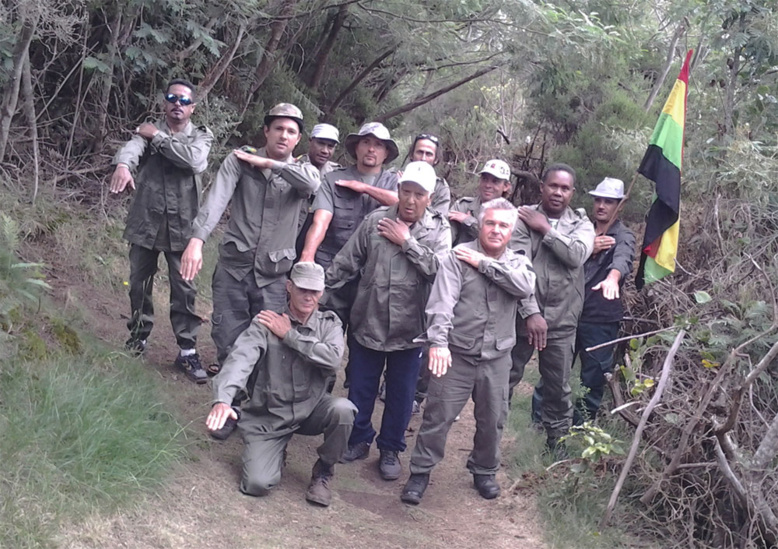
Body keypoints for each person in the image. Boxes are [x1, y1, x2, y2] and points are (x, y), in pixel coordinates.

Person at [181, 103, 320, 437]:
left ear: (298, 139)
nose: (284, 135)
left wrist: (271, 164)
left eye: (291, 131)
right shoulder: (239, 161)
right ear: (266, 131)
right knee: (229, 339)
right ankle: (228, 407)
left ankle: (259, 411)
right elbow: (216, 201)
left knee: (270, 344)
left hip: (274, 277)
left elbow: (312, 186)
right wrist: (197, 240)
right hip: (234, 268)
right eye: (278, 129)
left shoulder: (304, 172)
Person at [401, 199, 536, 504]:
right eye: (491, 223)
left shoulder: (518, 262)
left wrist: (483, 264)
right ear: (480, 224)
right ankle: (420, 472)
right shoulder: (455, 257)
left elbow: (524, 287)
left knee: (493, 418)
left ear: (511, 230)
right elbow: (441, 304)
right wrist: (438, 343)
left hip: (498, 358)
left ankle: (484, 471)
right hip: (458, 354)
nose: (496, 230)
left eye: (503, 225)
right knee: (438, 417)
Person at [323, 161, 451, 481]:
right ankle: (358, 438)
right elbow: (346, 262)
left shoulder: (439, 229)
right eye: (405, 192)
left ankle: (391, 447)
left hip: (410, 329)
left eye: (418, 194)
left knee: (401, 393)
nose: (410, 200)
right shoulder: (375, 221)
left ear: (429, 197)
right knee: (361, 388)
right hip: (369, 320)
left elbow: (442, 272)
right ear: (397, 191)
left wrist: (407, 242)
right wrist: (317, 294)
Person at [206, 262, 355, 507]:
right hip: (269, 414)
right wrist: (223, 399)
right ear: (289, 287)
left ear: (322, 292)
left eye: (315, 291)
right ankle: (274, 451)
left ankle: (324, 471)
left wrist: (290, 336)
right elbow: (240, 359)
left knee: (344, 410)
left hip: (310, 408)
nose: (309, 296)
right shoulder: (266, 321)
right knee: (256, 484)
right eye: (302, 289)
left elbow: (332, 359)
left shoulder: (329, 324)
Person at [110, 78, 213, 382]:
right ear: (164, 103)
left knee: (185, 290)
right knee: (139, 283)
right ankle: (138, 337)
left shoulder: (201, 137)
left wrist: (158, 139)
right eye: (172, 98)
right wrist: (123, 165)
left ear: (192, 107)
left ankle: (187, 350)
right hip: (145, 221)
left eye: (184, 100)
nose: (177, 105)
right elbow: (132, 147)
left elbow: (194, 161)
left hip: (183, 227)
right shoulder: (148, 130)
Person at [508, 163, 595, 458]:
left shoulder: (582, 224)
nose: (558, 192)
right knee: (503, 380)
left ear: (572, 193)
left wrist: (545, 229)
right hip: (521, 317)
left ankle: (555, 447)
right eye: (553, 186)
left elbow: (576, 255)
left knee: (558, 388)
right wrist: (531, 313)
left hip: (562, 322)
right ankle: (488, 441)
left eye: (565, 188)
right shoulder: (521, 219)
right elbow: (517, 267)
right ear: (542, 187)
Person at [532, 178, 635, 425]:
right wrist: (590, 248)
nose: (601, 206)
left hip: (600, 319)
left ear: (619, 206)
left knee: (593, 377)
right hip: (568, 313)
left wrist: (613, 278)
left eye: (608, 202)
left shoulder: (623, 235)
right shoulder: (582, 228)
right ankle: (539, 421)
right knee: (554, 371)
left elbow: (623, 259)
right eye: (598, 200)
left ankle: (581, 427)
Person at [300, 122, 400, 270]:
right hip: (331, 264)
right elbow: (320, 222)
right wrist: (307, 257)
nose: (371, 149)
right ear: (356, 147)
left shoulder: (395, 182)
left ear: (386, 153)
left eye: (378, 145)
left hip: (373, 269)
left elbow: (402, 203)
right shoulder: (333, 179)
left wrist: (365, 188)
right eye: (366, 142)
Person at [295, 123, 341, 255]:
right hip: (289, 237)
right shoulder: (294, 167)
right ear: (310, 141)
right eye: (321, 143)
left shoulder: (337, 174)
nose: (325, 150)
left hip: (319, 246)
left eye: (330, 146)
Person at [448, 159, 512, 246]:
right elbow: (445, 239)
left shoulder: (510, 216)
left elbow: (500, 247)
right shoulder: (462, 206)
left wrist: (469, 222)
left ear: (506, 186)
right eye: (485, 179)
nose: (488, 185)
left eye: (495, 181)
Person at [407, 133, 451, 215]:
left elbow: (439, 220)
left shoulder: (440, 187)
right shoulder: (395, 176)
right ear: (411, 155)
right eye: (419, 152)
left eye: (428, 154)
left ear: (436, 159)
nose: (423, 158)